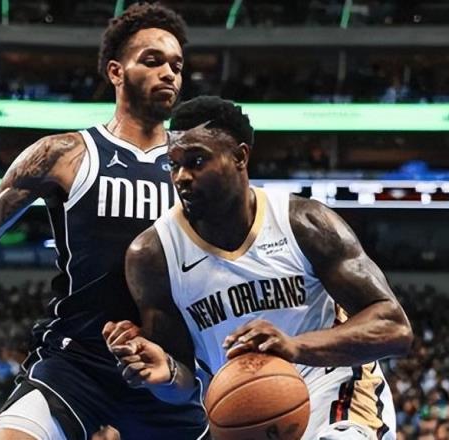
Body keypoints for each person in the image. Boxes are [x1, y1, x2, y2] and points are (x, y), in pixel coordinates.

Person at [103, 96, 414, 440]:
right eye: (173, 165)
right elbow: (184, 384)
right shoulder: (152, 255)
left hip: (332, 390)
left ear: (240, 156)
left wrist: (295, 347)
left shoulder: (305, 223)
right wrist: (165, 374)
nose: (182, 177)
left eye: (197, 161)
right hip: (242, 407)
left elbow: (394, 328)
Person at [0, 3, 208, 439]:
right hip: (76, 360)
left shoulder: (199, 163)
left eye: (177, 66)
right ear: (115, 71)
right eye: (153, 60)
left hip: (170, 370)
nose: (169, 73)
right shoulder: (65, 154)